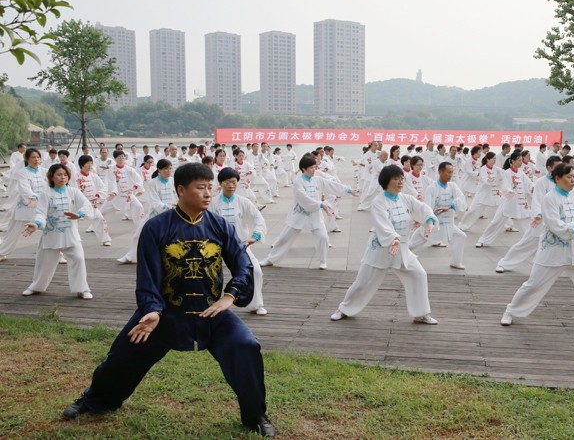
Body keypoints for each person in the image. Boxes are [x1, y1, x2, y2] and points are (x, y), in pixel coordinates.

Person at [60, 163, 275, 437]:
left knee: (245, 347)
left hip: (211, 314)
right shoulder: (156, 228)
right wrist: (151, 310)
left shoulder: (221, 226)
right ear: (181, 190)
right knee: (122, 355)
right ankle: (96, 401)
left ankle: (255, 415)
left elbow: (243, 264)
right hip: (164, 314)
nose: (209, 194)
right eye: (201, 188)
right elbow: (147, 275)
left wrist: (230, 296)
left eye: (211, 188)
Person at [499, 163, 574, 329]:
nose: (573, 180)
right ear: (557, 179)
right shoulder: (550, 198)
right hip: (552, 251)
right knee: (534, 284)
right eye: (569, 177)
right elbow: (554, 224)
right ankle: (510, 312)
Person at [331, 165, 439, 325]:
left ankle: (421, 313)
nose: (400, 182)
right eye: (396, 179)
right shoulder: (379, 202)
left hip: (401, 250)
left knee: (419, 275)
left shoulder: (406, 198)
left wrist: (429, 220)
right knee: (363, 282)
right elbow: (383, 225)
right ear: (386, 182)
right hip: (380, 250)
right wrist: (393, 239)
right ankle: (344, 309)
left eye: (402, 178)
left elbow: (422, 209)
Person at [259, 155, 354, 270]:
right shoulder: (298, 181)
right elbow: (302, 198)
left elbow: (331, 185)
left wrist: (348, 190)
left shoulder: (317, 179)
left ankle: (323, 261)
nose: (314, 170)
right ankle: (270, 259)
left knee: (323, 237)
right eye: (311, 168)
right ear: (304, 169)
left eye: (315, 167)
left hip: (315, 214)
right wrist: (320, 204)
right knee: (284, 238)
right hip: (299, 214)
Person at [19, 163, 93, 299]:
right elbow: (41, 213)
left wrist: (80, 214)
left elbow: (87, 204)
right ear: (52, 177)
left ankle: (82, 289)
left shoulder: (74, 192)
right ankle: (36, 287)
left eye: (65, 175)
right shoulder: (45, 194)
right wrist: (36, 224)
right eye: (59, 174)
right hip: (51, 235)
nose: (62, 177)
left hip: (70, 235)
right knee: (44, 264)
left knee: (78, 259)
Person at [211, 167, 268, 316]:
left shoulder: (244, 202)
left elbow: (258, 219)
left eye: (234, 182)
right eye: (227, 182)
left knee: (255, 270)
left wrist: (255, 236)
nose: (231, 185)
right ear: (220, 184)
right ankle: (209, 304)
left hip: (240, 245)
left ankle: (257, 304)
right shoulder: (212, 203)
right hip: (215, 247)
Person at [408, 161, 467, 269]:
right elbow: (427, 207)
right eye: (448, 172)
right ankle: (398, 257)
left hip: (448, 224)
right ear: (440, 172)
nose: (450, 175)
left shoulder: (452, 186)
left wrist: (451, 205)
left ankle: (456, 262)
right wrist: (426, 218)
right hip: (433, 224)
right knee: (413, 244)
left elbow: (461, 198)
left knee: (461, 236)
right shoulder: (432, 188)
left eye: (452, 172)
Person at [0, 148, 46, 261]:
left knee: (50, 227)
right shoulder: (23, 172)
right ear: (27, 159)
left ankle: (56, 253)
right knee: (13, 233)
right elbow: (25, 190)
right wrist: (35, 197)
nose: (36, 160)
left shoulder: (44, 171)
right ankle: (2, 252)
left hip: (41, 207)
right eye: (33, 157)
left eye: (38, 157)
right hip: (25, 207)